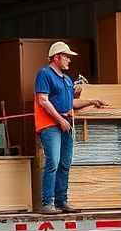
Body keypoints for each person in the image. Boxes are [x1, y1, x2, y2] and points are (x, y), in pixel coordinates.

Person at [34, 42, 107, 214]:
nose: (69, 60)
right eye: (66, 56)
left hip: (65, 124)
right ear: (56, 57)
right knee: (53, 162)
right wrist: (60, 120)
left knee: (65, 163)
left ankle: (61, 201)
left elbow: (70, 103)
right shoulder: (44, 74)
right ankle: (47, 203)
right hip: (51, 125)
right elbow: (43, 100)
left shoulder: (67, 80)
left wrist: (91, 101)